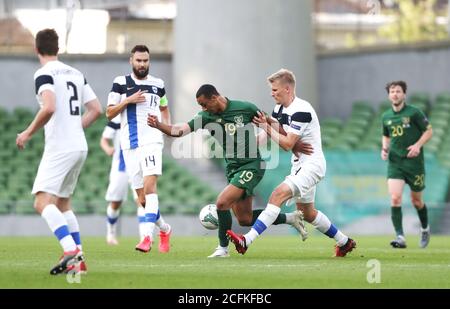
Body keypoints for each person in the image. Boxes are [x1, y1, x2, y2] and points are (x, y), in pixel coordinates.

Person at [148, 84, 309, 258]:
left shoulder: (245, 108)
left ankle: (222, 249)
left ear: (214, 98)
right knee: (244, 219)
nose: (203, 108)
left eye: (204, 104)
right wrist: (158, 125)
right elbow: (178, 131)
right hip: (232, 169)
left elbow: (272, 123)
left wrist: (293, 143)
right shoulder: (205, 116)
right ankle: (290, 218)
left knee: (222, 203)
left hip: (251, 166)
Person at [227, 68, 356, 257]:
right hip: (299, 165)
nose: (272, 94)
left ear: (287, 89)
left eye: (275, 90)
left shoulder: (302, 110)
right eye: (271, 90)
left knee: (277, 194)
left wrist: (267, 126)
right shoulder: (279, 109)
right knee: (308, 213)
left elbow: (287, 144)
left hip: (312, 164)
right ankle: (344, 242)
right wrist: (246, 146)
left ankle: (247, 240)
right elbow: (267, 136)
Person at [15, 28, 102, 274]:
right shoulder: (76, 73)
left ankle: (69, 250)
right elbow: (96, 109)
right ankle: (80, 262)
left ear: (36, 49)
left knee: (41, 202)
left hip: (61, 146)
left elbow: (50, 106)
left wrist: (27, 132)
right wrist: (75, 127)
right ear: (58, 49)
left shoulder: (43, 73)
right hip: (78, 145)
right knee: (63, 204)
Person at [106, 45, 171, 253]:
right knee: (142, 199)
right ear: (131, 61)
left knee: (151, 188)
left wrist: (166, 128)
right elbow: (109, 112)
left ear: (149, 61)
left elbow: (164, 107)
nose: (142, 64)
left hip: (152, 140)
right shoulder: (120, 83)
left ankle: (146, 238)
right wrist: (128, 100)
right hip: (129, 144)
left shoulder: (158, 84)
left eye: (145, 61)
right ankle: (165, 229)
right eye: (138, 61)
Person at [381, 81, 433, 249]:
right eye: (392, 91)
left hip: (414, 164)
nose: (395, 94)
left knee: (416, 201)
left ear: (404, 94)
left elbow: (429, 131)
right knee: (395, 198)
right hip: (395, 163)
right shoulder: (386, 116)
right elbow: (386, 135)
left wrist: (417, 145)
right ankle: (400, 237)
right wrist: (384, 148)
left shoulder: (414, 112)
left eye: (398, 91)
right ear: (389, 95)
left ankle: (425, 229)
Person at [100, 114, 166, 245]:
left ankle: (145, 236)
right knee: (115, 202)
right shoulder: (118, 119)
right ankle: (111, 233)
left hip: (141, 164)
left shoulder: (145, 116)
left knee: (142, 200)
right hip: (121, 167)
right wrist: (108, 148)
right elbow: (104, 139)